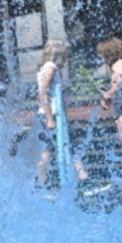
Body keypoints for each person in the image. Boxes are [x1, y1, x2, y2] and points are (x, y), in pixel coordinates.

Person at [35, 39, 87, 187]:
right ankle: (83, 178)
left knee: (52, 148)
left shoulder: (49, 68)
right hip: (52, 114)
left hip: (54, 114)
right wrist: (50, 118)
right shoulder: (50, 67)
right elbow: (43, 93)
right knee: (64, 146)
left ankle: (42, 182)